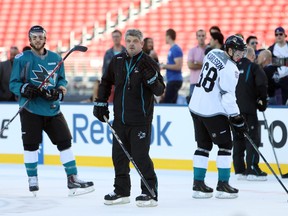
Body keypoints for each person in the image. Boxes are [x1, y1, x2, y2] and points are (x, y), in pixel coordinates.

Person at [9, 25, 94, 196]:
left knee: (65, 142)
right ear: (30, 39)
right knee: (31, 145)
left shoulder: (56, 58)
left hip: (53, 109)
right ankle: (32, 178)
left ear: (45, 39)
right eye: (34, 37)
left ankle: (72, 178)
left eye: (41, 36)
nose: (38, 40)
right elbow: (13, 83)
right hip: (31, 109)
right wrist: (25, 88)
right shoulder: (22, 59)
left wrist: (59, 90)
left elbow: (62, 80)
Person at [93, 29, 165, 207]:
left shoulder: (149, 63)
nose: (131, 43)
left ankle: (149, 192)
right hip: (120, 120)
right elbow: (105, 81)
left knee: (140, 157)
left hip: (140, 120)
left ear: (142, 43)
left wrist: (152, 80)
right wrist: (100, 102)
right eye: (129, 40)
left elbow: (160, 90)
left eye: (135, 41)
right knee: (118, 157)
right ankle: (121, 191)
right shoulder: (117, 60)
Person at [188, 35, 247, 199]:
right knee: (226, 145)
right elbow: (227, 97)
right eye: (237, 52)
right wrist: (237, 118)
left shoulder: (212, 52)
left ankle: (198, 185)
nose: (240, 55)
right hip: (211, 110)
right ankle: (223, 185)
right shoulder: (232, 69)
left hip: (195, 106)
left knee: (203, 146)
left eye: (242, 52)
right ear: (229, 49)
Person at [233, 47, 268, 181]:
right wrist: (262, 100)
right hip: (248, 109)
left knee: (238, 139)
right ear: (252, 56)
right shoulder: (253, 67)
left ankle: (239, 170)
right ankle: (252, 168)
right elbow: (261, 84)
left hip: (234, 110)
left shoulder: (234, 67)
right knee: (252, 138)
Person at [102, 29, 126, 103]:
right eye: (114, 36)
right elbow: (105, 68)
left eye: (117, 36)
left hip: (123, 81)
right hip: (111, 82)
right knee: (111, 102)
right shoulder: (108, 53)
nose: (116, 38)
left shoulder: (126, 52)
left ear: (121, 37)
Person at [160, 28, 183, 103]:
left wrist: (164, 66)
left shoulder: (175, 49)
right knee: (171, 102)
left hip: (174, 80)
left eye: (165, 36)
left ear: (169, 36)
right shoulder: (172, 49)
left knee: (167, 102)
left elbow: (178, 66)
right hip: (172, 80)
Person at [268, 27, 288, 105]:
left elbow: (273, 62)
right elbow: (269, 62)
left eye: (280, 34)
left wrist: (276, 61)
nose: (278, 36)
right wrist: (285, 61)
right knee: (279, 101)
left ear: (284, 35)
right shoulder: (271, 48)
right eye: (276, 34)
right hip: (277, 78)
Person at [187, 29, 207, 98]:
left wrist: (197, 63)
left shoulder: (209, 50)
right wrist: (204, 65)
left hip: (206, 83)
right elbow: (190, 65)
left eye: (203, 36)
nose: (201, 37)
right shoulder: (192, 50)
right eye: (199, 36)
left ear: (205, 37)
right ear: (196, 37)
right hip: (194, 82)